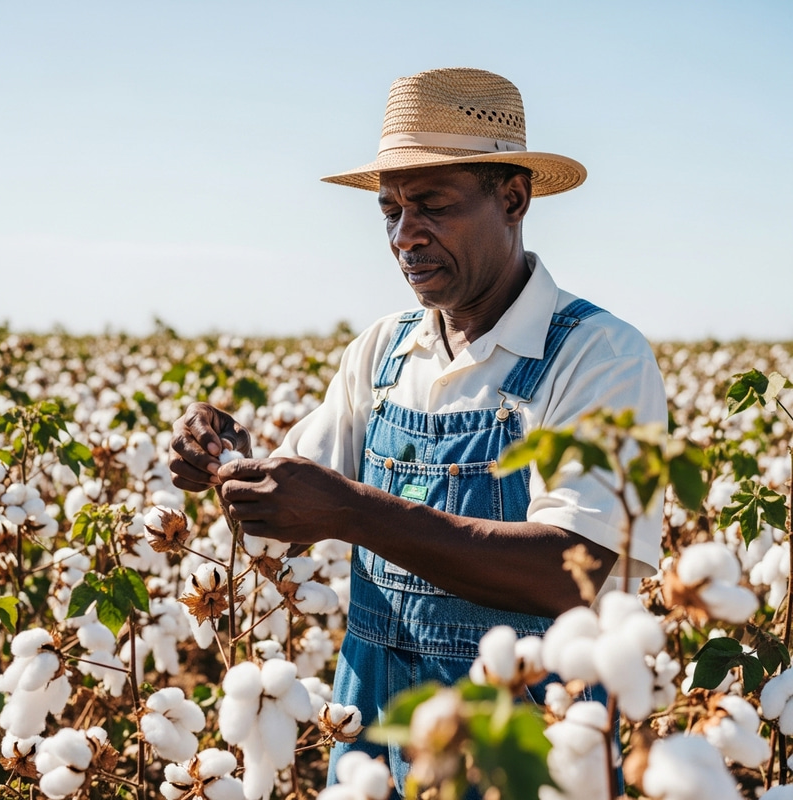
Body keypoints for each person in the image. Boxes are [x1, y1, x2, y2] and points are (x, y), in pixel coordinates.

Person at [169, 67, 667, 796]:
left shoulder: (601, 357)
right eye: (390, 210)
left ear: (514, 199)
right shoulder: (382, 349)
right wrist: (226, 456)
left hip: (523, 758)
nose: (406, 235)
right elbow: (293, 509)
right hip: (373, 740)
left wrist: (356, 512)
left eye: (431, 204)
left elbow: (577, 568)